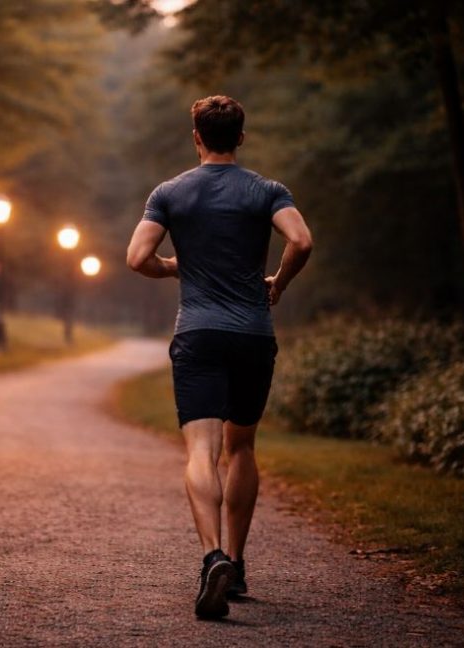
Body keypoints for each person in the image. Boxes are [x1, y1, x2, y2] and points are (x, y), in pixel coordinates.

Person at [126, 95, 313, 620]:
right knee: (243, 448)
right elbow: (301, 239)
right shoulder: (266, 191)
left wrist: (171, 267)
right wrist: (279, 283)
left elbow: (137, 257)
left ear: (197, 137)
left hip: (199, 335)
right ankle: (236, 561)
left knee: (201, 452)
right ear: (242, 138)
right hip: (253, 333)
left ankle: (210, 556)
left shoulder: (169, 193)